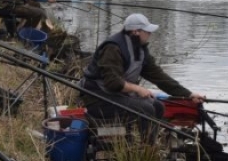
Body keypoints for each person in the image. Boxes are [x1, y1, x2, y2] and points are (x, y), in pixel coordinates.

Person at [79, 14, 205, 143]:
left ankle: (149, 146)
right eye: (147, 31)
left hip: (115, 96)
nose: (150, 34)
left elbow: (160, 77)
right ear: (136, 31)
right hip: (97, 99)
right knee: (146, 109)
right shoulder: (113, 48)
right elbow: (112, 83)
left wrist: (189, 94)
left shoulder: (140, 50)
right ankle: (145, 149)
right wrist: (137, 89)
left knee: (158, 106)